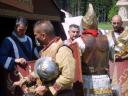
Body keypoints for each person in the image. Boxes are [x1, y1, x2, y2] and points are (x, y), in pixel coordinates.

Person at [74, 3, 112, 96]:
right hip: (104, 79)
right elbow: (111, 58)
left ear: (84, 24)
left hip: (87, 80)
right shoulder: (108, 39)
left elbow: (75, 65)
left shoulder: (79, 41)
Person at [33, 20, 76, 96]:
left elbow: (68, 78)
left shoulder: (63, 50)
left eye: (36, 35)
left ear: (43, 36)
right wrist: (27, 79)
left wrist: (48, 88)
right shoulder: (47, 50)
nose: (35, 38)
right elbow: (42, 70)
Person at [0, 17, 36, 96]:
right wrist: (15, 60)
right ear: (15, 27)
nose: (22, 32)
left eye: (24, 30)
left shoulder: (29, 40)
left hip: (27, 74)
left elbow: (32, 56)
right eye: (20, 30)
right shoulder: (8, 41)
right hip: (14, 76)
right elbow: (1, 57)